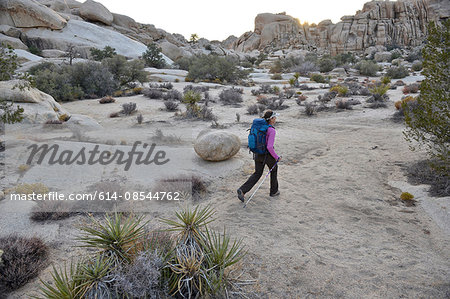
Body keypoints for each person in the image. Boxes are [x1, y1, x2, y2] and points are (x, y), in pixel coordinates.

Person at [237, 110, 281, 202]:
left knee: (257, 173)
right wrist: (277, 157)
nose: (275, 119)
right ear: (271, 119)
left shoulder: (259, 127)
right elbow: (269, 147)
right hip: (267, 155)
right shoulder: (271, 130)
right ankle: (274, 191)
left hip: (257, 153)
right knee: (274, 169)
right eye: (274, 117)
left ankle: (243, 190)